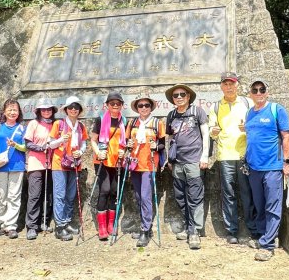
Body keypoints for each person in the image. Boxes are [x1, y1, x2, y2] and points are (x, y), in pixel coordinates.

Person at [241, 79, 289, 262]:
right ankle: (265, 236)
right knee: (259, 204)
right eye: (255, 90)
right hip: (254, 167)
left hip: (272, 166)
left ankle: (268, 245)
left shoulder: (276, 109)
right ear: (250, 94)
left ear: (267, 92)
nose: (258, 93)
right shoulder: (249, 113)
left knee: (272, 205)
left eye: (262, 89)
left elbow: (286, 137)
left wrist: (286, 162)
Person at [208, 72, 258, 244]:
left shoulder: (248, 103)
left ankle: (253, 229)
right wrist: (213, 132)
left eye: (232, 84)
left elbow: (256, 124)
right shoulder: (215, 107)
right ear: (221, 86)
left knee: (247, 193)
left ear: (237, 85)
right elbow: (212, 131)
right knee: (228, 194)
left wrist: (248, 127)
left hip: (245, 154)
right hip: (225, 156)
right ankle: (232, 231)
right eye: (225, 84)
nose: (229, 87)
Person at [165, 84, 209, 250]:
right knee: (180, 196)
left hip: (194, 161)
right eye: (176, 95)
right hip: (177, 162)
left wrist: (204, 156)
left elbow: (206, 135)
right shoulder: (171, 115)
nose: (179, 97)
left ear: (189, 96)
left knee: (195, 196)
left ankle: (194, 231)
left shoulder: (197, 112)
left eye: (182, 94)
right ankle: (188, 225)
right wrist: (169, 158)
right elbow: (169, 138)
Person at [125, 93, 166, 247]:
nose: (143, 108)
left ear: (151, 107)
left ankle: (145, 229)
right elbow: (127, 142)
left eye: (146, 105)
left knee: (146, 197)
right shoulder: (132, 123)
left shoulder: (157, 123)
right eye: (140, 105)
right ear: (137, 108)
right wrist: (128, 145)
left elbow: (162, 143)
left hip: (149, 164)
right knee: (138, 197)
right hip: (135, 164)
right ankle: (145, 226)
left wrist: (157, 146)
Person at [48, 96, 89, 241]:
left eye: (76, 107)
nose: (73, 110)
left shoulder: (81, 126)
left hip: (74, 163)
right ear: (66, 109)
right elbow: (50, 144)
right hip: (59, 163)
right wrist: (61, 140)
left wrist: (81, 151)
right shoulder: (58, 124)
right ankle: (59, 226)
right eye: (70, 107)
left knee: (71, 195)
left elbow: (84, 143)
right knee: (59, 194)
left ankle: (67, 221)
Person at [0, 99, 26, 239]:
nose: (12, 112)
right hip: (0, 165)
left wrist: (15, 145)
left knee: (14, 196)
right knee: (2, 196)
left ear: (19, 112)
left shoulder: (22, 128)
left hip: (17, 164)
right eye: (9, 109)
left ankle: (11, 226)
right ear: (4, 111)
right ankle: (3, 224)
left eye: (15, 109)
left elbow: (26, 147)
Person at [90, 91, 127, 241]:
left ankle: (111, 224)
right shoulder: (100, 120)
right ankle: (102, 227)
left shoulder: (124, 120)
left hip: (118, 160)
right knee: (104, 190)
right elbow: (93, 140)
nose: (115, 106)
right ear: (107, 105)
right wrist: (99, 152)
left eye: (118, 103)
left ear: (122, 106)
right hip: (102, 160)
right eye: (112, 103)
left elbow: (126, 141)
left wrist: (123, 151)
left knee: (114, 191)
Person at [24, 99, 57, 240]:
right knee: (35, 194)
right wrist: (41, 148)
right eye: (43, 109)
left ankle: (44, 221)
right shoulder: (33, 123)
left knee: (48, 195)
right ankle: (32, 226)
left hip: (51, 164)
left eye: (49, 109)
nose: (46, 111)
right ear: (38, 111)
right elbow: (28, 143)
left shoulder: (55, 125)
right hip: (36, 163)